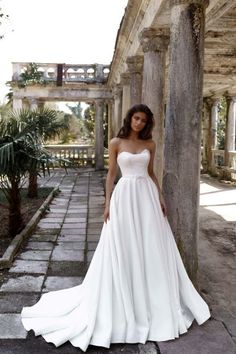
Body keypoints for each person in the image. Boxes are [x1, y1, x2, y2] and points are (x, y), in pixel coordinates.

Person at [21, 104, 211, 352]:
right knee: (122, 243)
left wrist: (161, 197)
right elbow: (111, 174)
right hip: (124, 197)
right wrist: (108, 202)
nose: (139, 123)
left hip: (146, 197)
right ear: (130, 118)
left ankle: (151, 298)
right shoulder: (115, 142)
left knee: (150, 245)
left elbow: (151, 173)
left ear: (147, 123)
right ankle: (123, 295)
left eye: (143, 120)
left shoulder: (150, 145)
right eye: (136, 118)